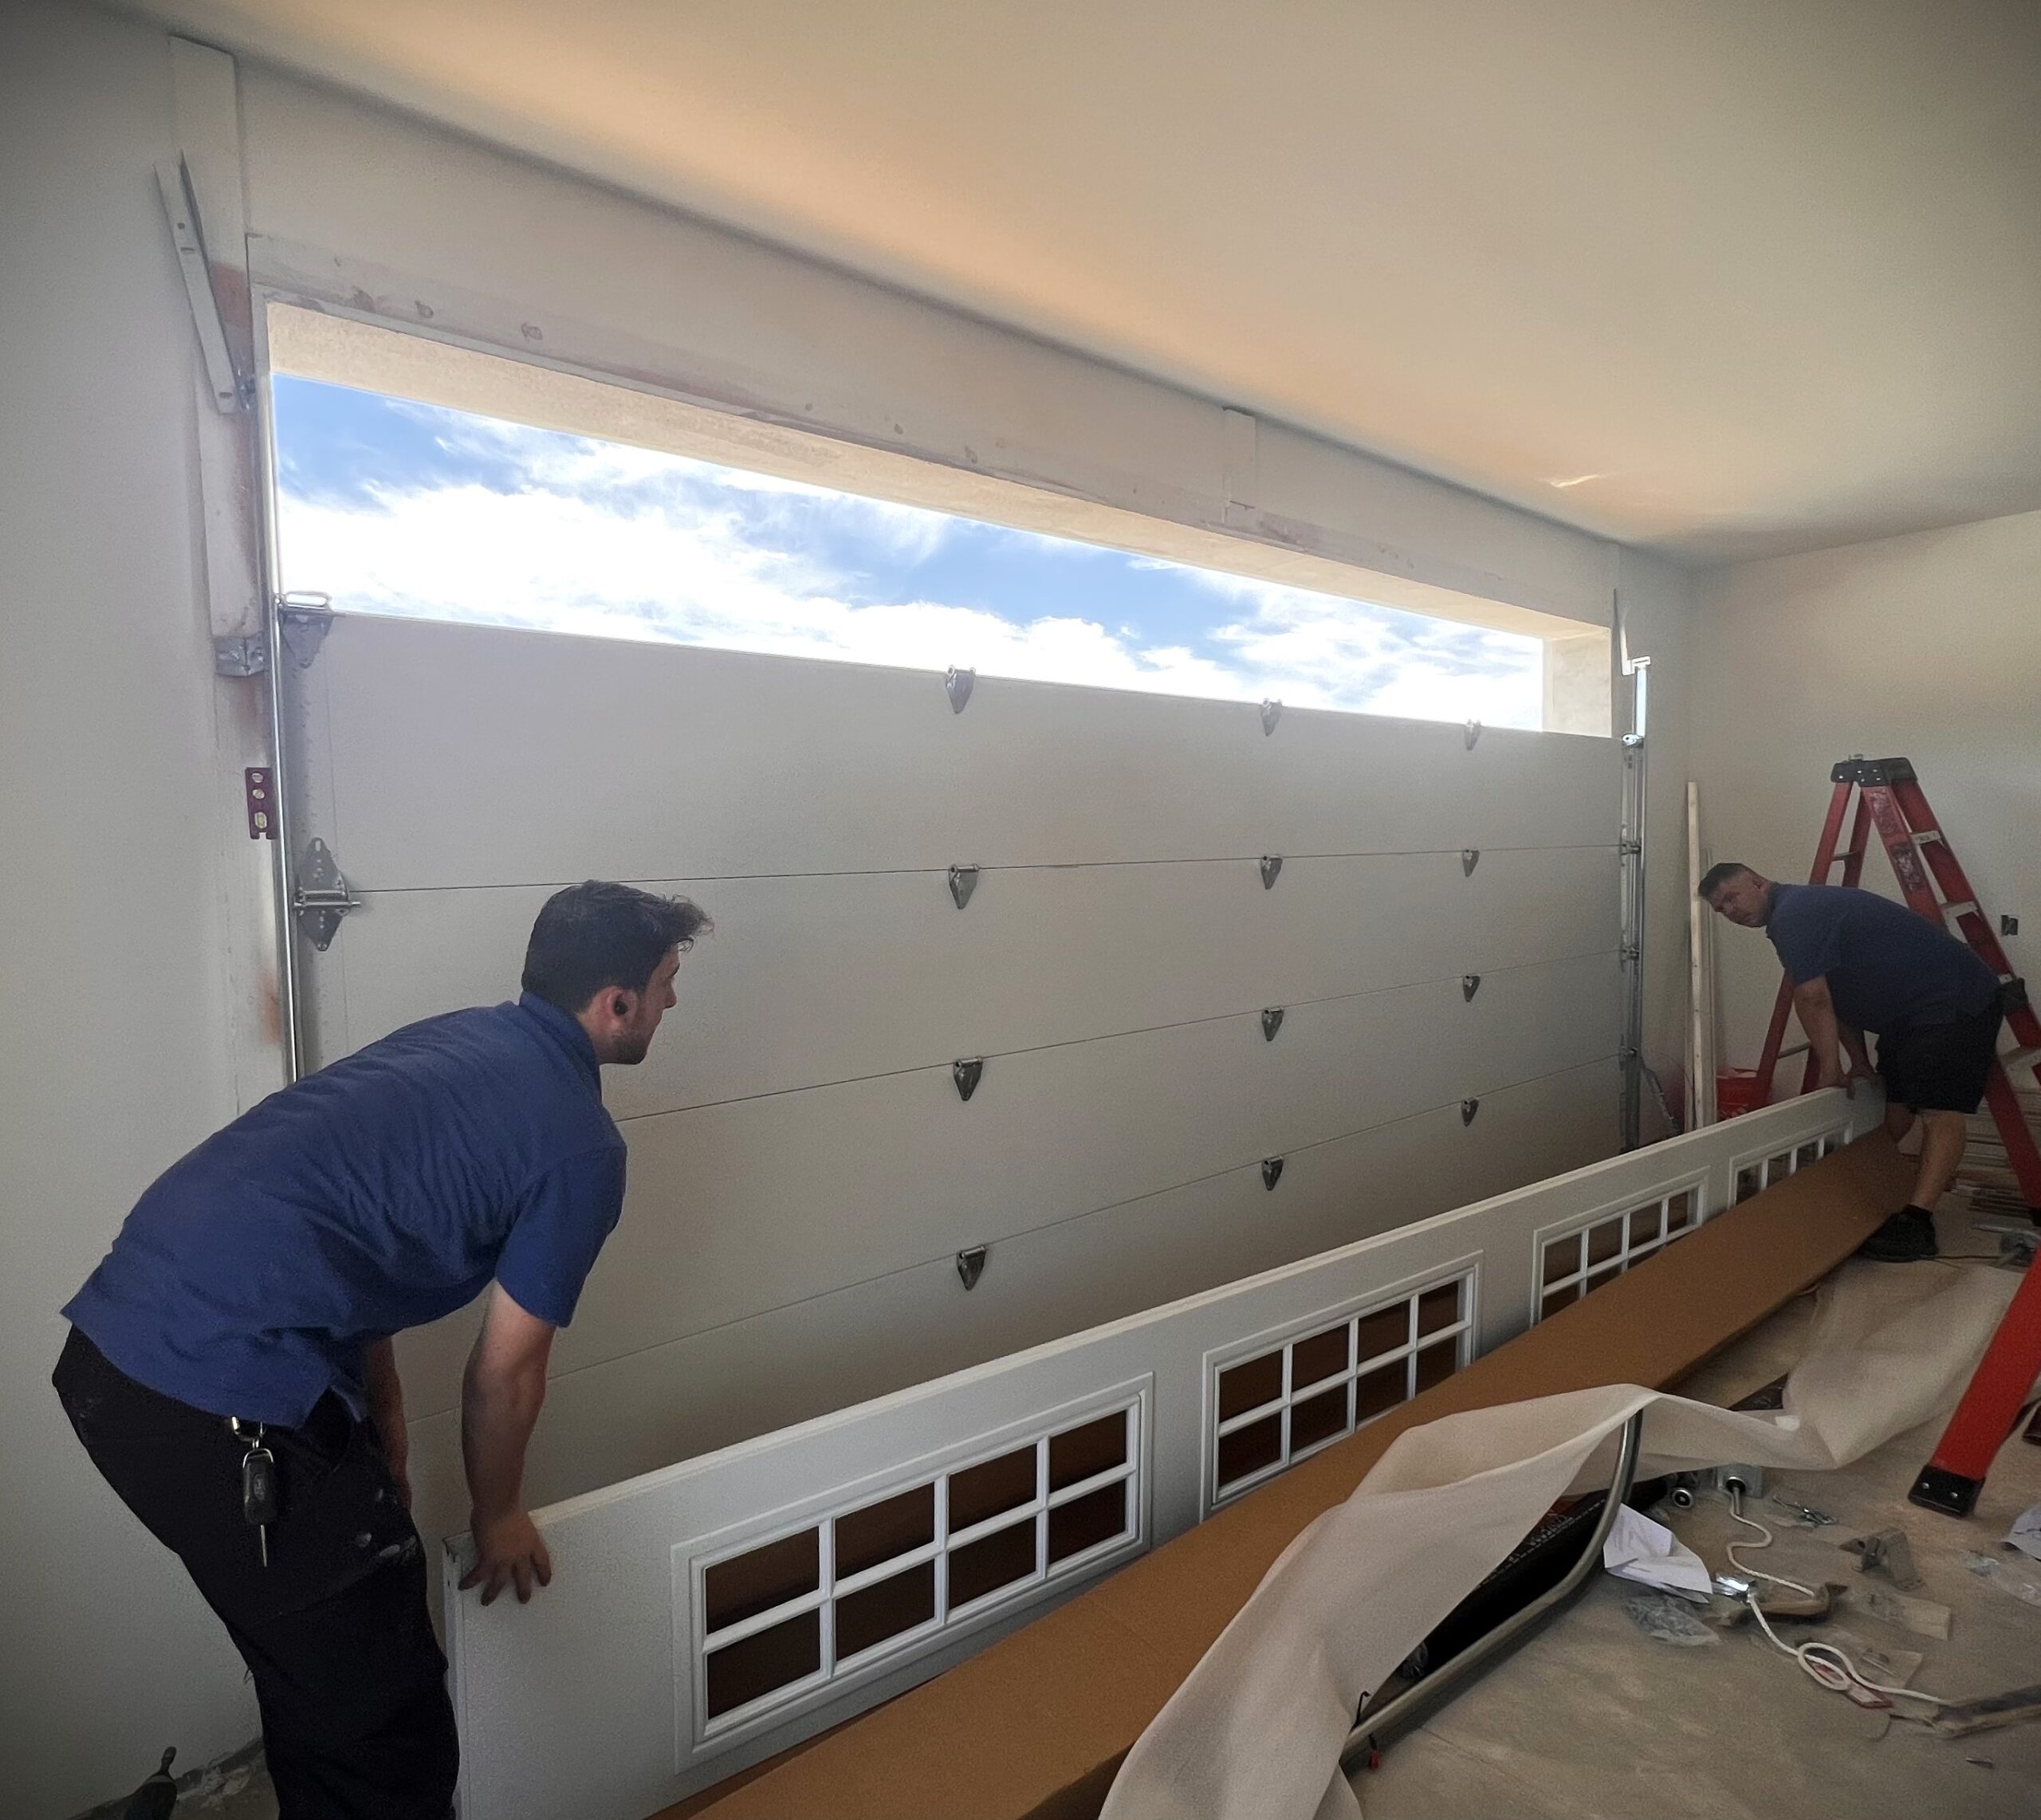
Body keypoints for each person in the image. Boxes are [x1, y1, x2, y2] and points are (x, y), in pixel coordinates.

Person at [53, 880, 708, 1820]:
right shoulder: (579, 1148)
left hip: (115, 1352)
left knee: (320, 1687)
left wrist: (384, 1428)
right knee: (382, 1735)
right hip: (208, 1401)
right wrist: (500, 1513)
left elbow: (363, 1240)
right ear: (616, 1006)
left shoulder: (460, 1041)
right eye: (665, 983)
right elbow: (507, 1372)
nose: (672, 1002)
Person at [1699, 863, 2001, 1262]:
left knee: (1938, 1112)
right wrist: (1856, 1060)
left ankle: (1918, 1224)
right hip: (1908, 1014)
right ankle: (1870, 1192)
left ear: (1758, 882)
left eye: (1732, 897)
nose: (1730, 912)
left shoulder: (1795, 914)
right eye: (1720, 909)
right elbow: (1837, 999)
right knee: (1894, 1108)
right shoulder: (1792, 918)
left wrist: (1830, 1071)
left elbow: (1813, 999)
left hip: (1951, 1000)